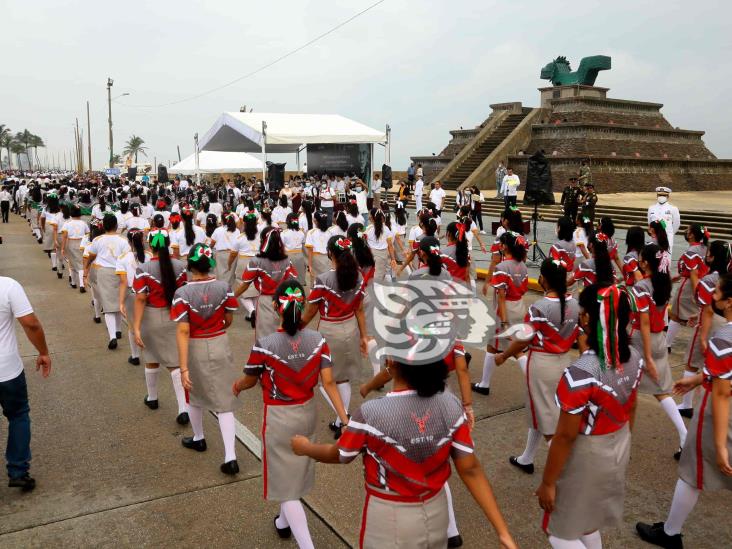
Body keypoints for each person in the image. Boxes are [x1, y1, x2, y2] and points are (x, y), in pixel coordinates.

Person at [291, 357, 518, 549]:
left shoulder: (371, 413)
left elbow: (339, 454)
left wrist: (305, 447)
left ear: (392, 363)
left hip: (389, 518)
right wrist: (503, 531)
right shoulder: (450, 404)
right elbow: (470, 469)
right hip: (437, 512)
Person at [234, 279, 348, 549]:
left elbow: (250, 380)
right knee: (295, 472)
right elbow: (328, 383)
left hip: (279, 416)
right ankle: (283, 523)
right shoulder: (318, 340)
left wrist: (237, 386)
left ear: (276, 307)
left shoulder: (265, 344)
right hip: (307, 411)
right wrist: (344, 419)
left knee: (285, 485)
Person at [538, 284, 641, 549]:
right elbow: (631, 407)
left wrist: (548, 482)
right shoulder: (634, 358)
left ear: (586, 319)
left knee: (559, 531)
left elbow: (565, 435)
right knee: (587, 521)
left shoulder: (581, 372)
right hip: (618, 442)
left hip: (588, 453)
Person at [635, 273, 732, 549]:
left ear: (729, 302)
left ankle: (670, 532)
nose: (711, 298)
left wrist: (719, 443)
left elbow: (723, 392)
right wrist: (698, 378)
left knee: (692, 471)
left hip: (719, 412)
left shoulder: (724, 337)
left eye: (717, 294)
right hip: (721, 399)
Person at [495, 259, 579, 474]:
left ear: (545, 279)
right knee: (542, 412)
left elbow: (523, 339)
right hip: (563, 362)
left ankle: (568, 474)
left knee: (548, 424)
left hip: (542, 365)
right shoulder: (575, 304)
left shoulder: (539, 307)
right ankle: (527, 457)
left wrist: (504, 355)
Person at [171, 244, 240, 475]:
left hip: (196, 345)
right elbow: (228, 318)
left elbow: (182, 331)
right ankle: (230, 455)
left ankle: (199, 437)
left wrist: (182, 368)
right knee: (224, 400)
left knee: (194, 395)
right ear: (210, 264)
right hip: (220, 342)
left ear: (190, 265)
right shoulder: (224, 287)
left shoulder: (182, 293)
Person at [301, 236, 368, 439]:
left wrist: (297, 328)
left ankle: (344, 417)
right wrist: (364, 336)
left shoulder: (324, 279)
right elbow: (360, 310)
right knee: (343, 377)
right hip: (350, 328)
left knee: (326, 381)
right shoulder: (358, 277)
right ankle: (340, 420)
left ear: (330, 253)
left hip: (330, 330)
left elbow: (311, 310)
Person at [631, 243, 688, 459]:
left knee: (624, 385)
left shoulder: (641, 287)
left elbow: (643, 323)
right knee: (660, 391)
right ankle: (684, 434)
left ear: (645, 262)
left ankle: (618, 435)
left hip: (640, 341)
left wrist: (646, 356)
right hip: (659, 339)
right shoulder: (663, 284)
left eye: (641, 258)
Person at [132, 228, 190, 425]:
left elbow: (140, 298)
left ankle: (152, 397)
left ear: (150, 245)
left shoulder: (143, 268)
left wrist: (136, 327)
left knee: (151, 358)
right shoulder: (181, 266)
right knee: (175, 363)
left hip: (152, 317)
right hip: (176, 315)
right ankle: (183, 408)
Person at [0, 276, 51, 492]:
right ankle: (18, 470)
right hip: (7, 369)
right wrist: (43, 352)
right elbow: (31, 324)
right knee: (18, 415)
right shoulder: (8, 286)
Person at [676, 240, 731, 418]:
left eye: (709, 253)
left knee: (692, 362)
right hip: (725, 322)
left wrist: (702, 336)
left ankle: (686, 404)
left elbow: (707, 309)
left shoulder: (709, 279)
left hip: (709, 322)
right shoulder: (727, 277)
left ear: (712, 256)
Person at [474, 232, 529, 395]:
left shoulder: (501, 268)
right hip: (519, 306)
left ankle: (534, 382)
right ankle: (484, 383)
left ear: (506, 246)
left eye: (502, 243)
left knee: (515, 349)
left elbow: (502, 297)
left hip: (505, 311)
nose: (499, 245)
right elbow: (524, 289)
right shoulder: (523, 266)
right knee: (492, 346)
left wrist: (504, 322)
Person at [235, 226, 297, 338]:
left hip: (265, 302)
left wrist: (231, 297)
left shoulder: (256, 261)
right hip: (285, 301)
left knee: (265, 336)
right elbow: (293, 281)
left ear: (263, 241)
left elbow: (245, 284)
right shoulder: (287, 260)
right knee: (284, 336)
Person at [83, 213, 131, 349]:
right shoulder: (123, 240)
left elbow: (91, 256)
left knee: (108, 305)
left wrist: (86, 270)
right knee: (119, 302)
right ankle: (119, 330)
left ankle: (113, 337)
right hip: (121, 272)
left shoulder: (98, 240)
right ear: (116, 226)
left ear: (103, 225)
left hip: (104, 272)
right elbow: (128, 258)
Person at [666, 224, 709, 352]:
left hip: (690, 286)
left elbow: (694, 273)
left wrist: (697, 293)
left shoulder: (692, 251)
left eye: (688, 231)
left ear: (691, 235)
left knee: (676, 316)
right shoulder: (705, 248)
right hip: (701, 283)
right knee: (697, 315)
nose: (686, 232)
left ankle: (667, 344)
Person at [647, 186, 681, 255]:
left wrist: (669, 233)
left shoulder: (673, 209)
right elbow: (650, 223)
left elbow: (676, 224)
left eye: (664, 195)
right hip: (655, 238)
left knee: (667, 259)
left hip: (667, 238)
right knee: (654, 258)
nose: (661, 197)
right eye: (659, 195)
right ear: (657, 195)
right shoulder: (651, 208)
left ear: (668, 196)